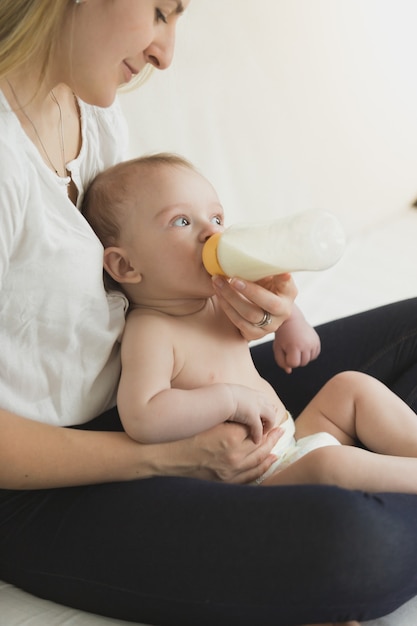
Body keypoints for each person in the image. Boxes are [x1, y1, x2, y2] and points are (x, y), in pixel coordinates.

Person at [2, 2, 417, 626]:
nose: (165, 54)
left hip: (196, 408)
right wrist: (171, 455)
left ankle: (362, 497)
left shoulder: (92, 109)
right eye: (161, 11)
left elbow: (149, 280)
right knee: (357, 543)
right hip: (51, 476)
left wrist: (258, 320)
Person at [82, 152, 417, 497]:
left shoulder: (221, 295)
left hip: (291, 441)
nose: (211, 231)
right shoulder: (151, 330)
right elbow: (143, 415)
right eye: (181, 221)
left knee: (350, 388)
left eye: (216, 217)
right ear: (125, 266)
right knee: (331, 465)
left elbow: (273, 303)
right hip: (256, 478)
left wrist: (290, 323)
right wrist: (227, 400)